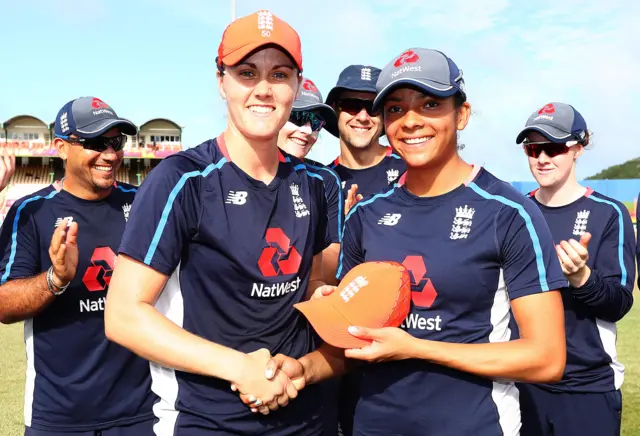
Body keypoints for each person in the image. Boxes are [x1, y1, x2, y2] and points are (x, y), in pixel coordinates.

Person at [241, 47, 570, 436]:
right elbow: (355, 341)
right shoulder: (367, 215)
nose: (410, 121)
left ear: (461, 114)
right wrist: (304, 369)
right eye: (395, 109)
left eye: (430, 104)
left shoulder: (508, 213)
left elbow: (546, 357)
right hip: (374, 426)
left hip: (474, 426)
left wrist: (416, 347)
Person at [104, 10, 331, 435]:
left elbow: (312, 285)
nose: (263, 89)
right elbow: (122, 315)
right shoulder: (181, 180)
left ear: (297, 86)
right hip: (207, 420)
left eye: (279, 75)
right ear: (221, 81)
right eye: (247, 72)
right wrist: (238, 368)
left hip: (304, 417)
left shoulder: (316, 182)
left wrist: (320, 315)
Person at [0, 97, 155, 436]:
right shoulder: (30, 212)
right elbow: (5, 304)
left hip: (141, 413)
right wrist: (57, 279)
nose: (111, 154)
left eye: (116, 142)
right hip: (58, 416)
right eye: (96, 142)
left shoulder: (142, 203)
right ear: (61, 147)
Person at [514, 102, 634, 436]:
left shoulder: (608, 213)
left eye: (553, 147)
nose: (541, 158)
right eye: (533, 148)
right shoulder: (514, 211)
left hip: (587, 386)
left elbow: (619, 303)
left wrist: (582, 278)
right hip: (523, 380)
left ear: (578, 148)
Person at [278, 77, 342, 284]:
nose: (306, 130)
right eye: (297, 117)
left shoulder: (325, 179)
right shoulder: (230, 171)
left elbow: (334, 253)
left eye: (315, 123)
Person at [325, 65, 406, 201]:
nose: (362, 117)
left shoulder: (410, 168)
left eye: (373, 107)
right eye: (351, 105)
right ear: (335, 111)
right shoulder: (321, 181)